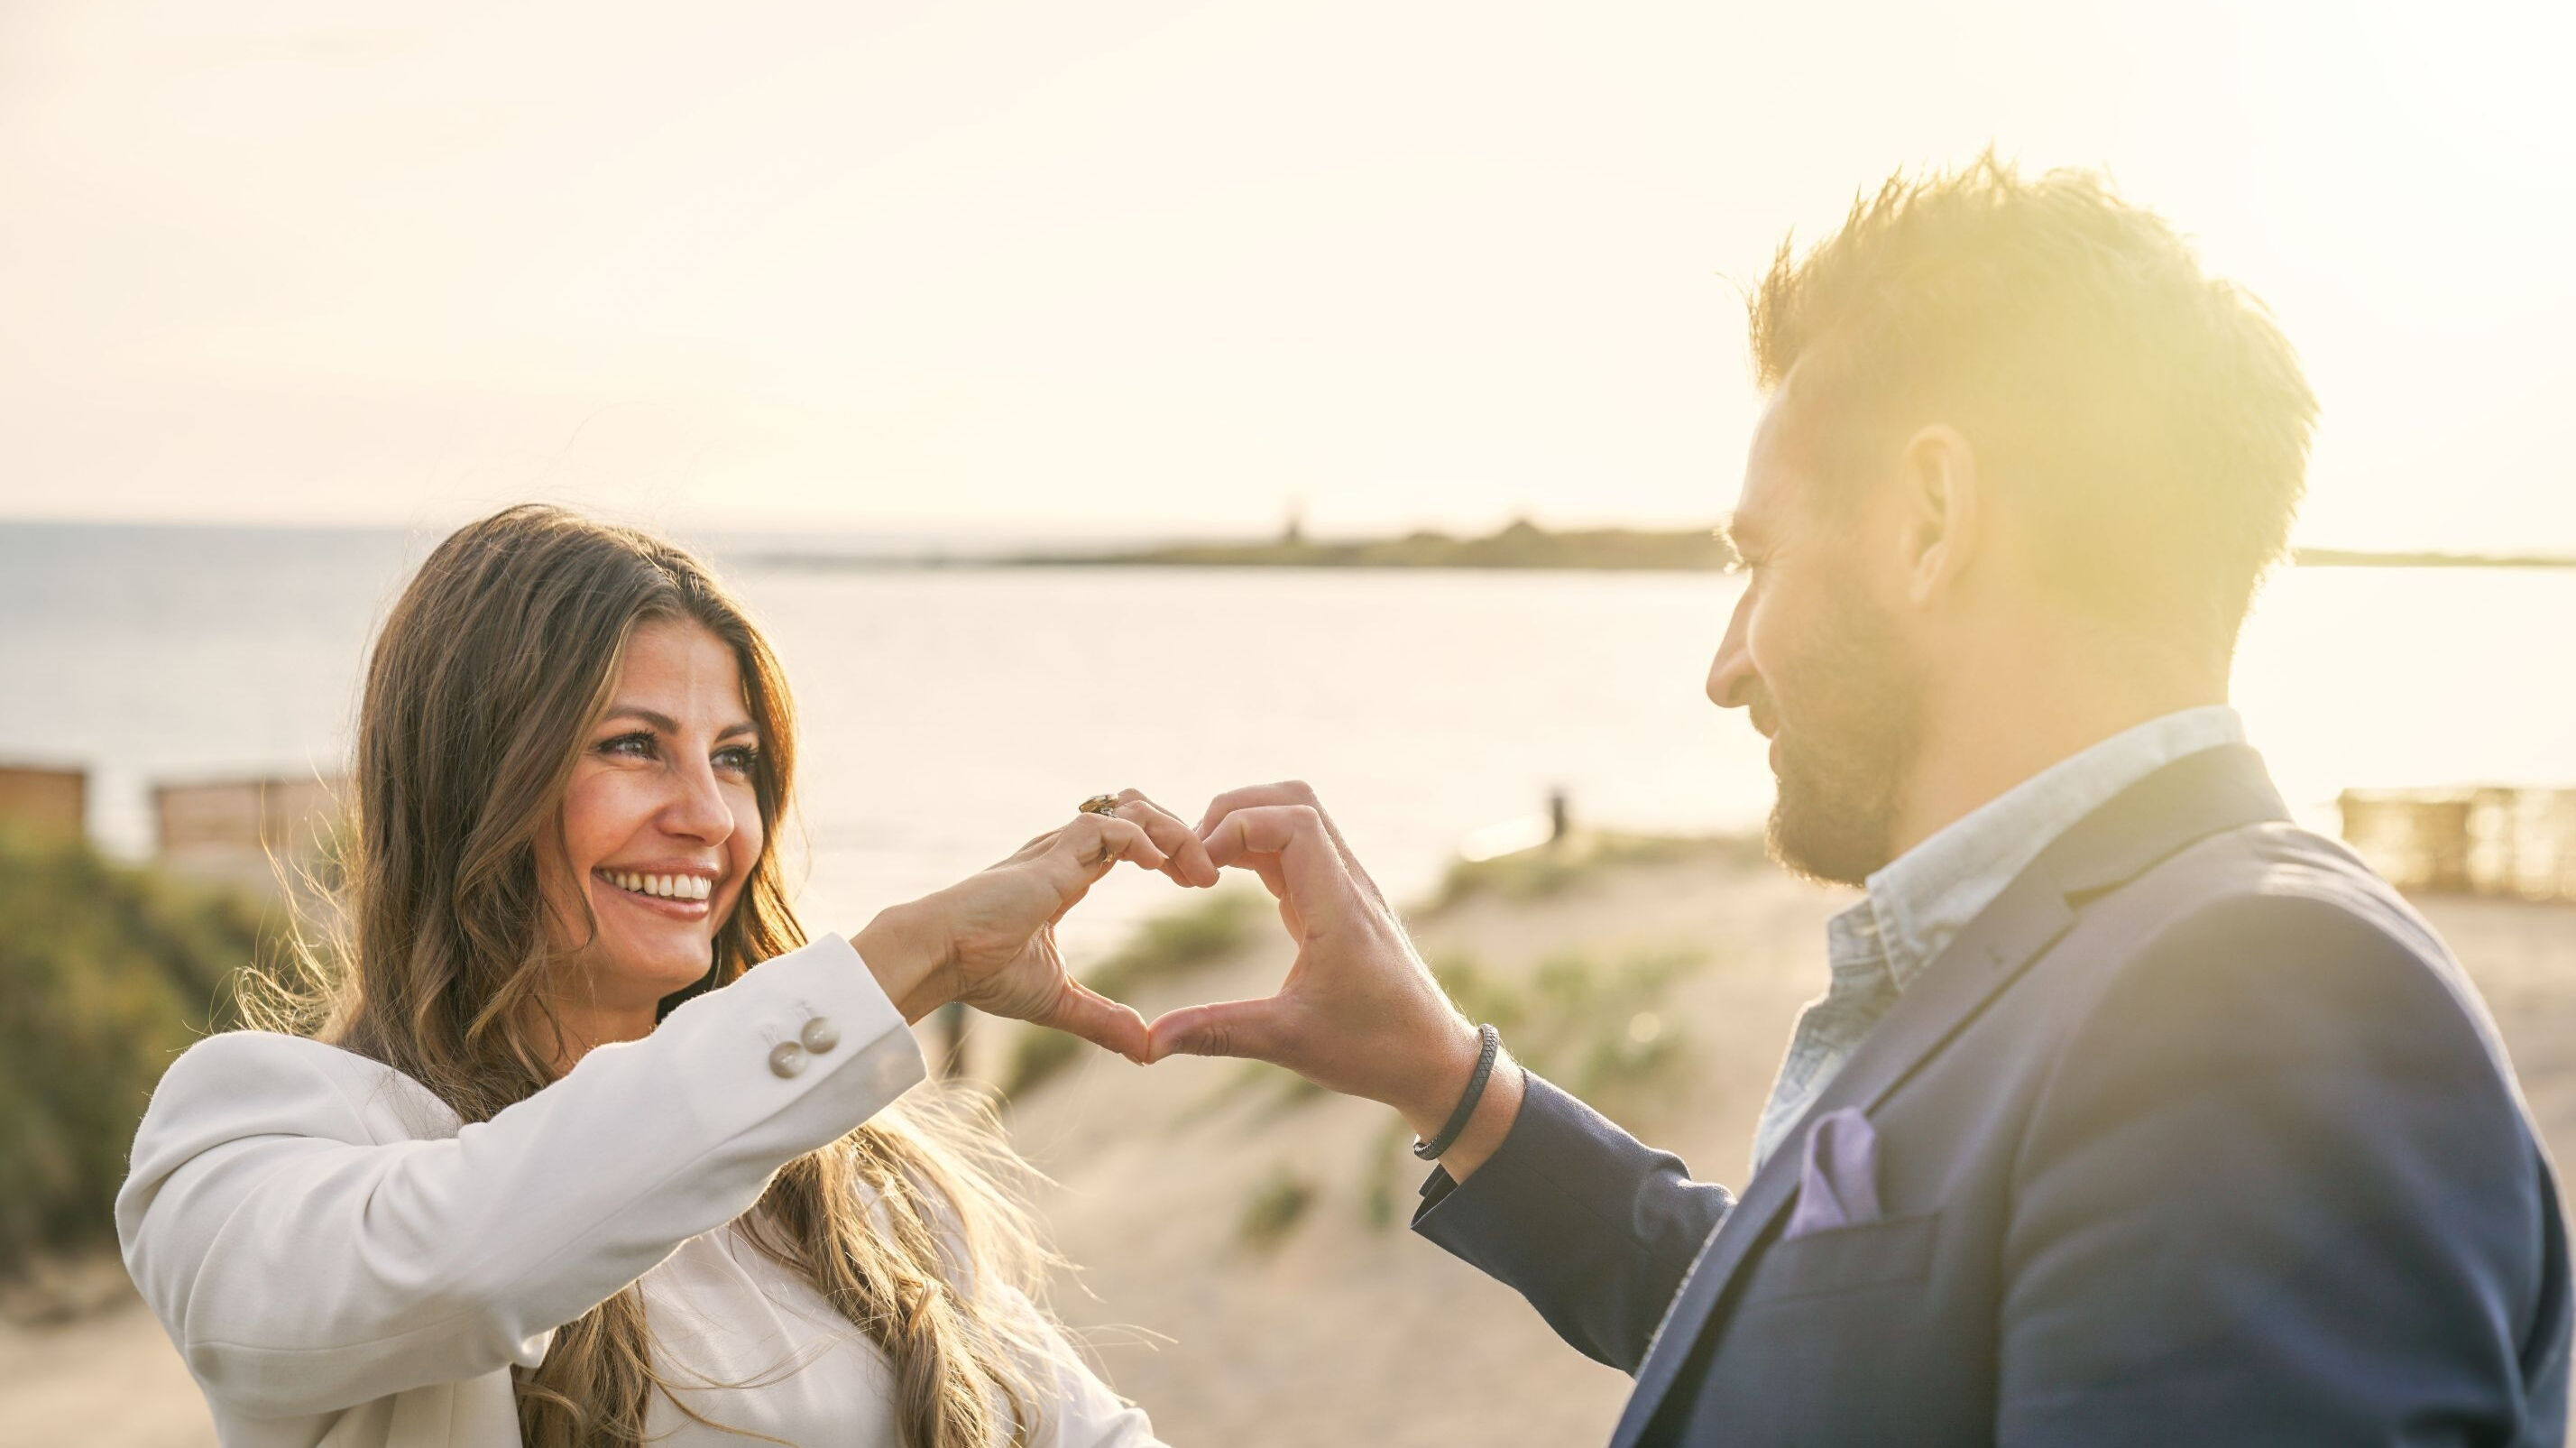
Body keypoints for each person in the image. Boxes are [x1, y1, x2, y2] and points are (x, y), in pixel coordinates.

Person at [1145, 157, 2573, 1443]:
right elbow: (1842, 1363)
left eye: (1754, 561)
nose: (1726, 665)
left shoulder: (2257, 1007)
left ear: (1930, 522)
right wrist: (1455, 1085)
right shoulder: (2100, 966)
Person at [117, 505, 1222, 1448]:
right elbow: (461, 1262)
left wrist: (1403, 1069)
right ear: (472, 780)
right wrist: (905, 962)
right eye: (633, 746)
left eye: (734, 759)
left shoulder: (848, 1189)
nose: (708, 819)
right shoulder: (264, 1131)